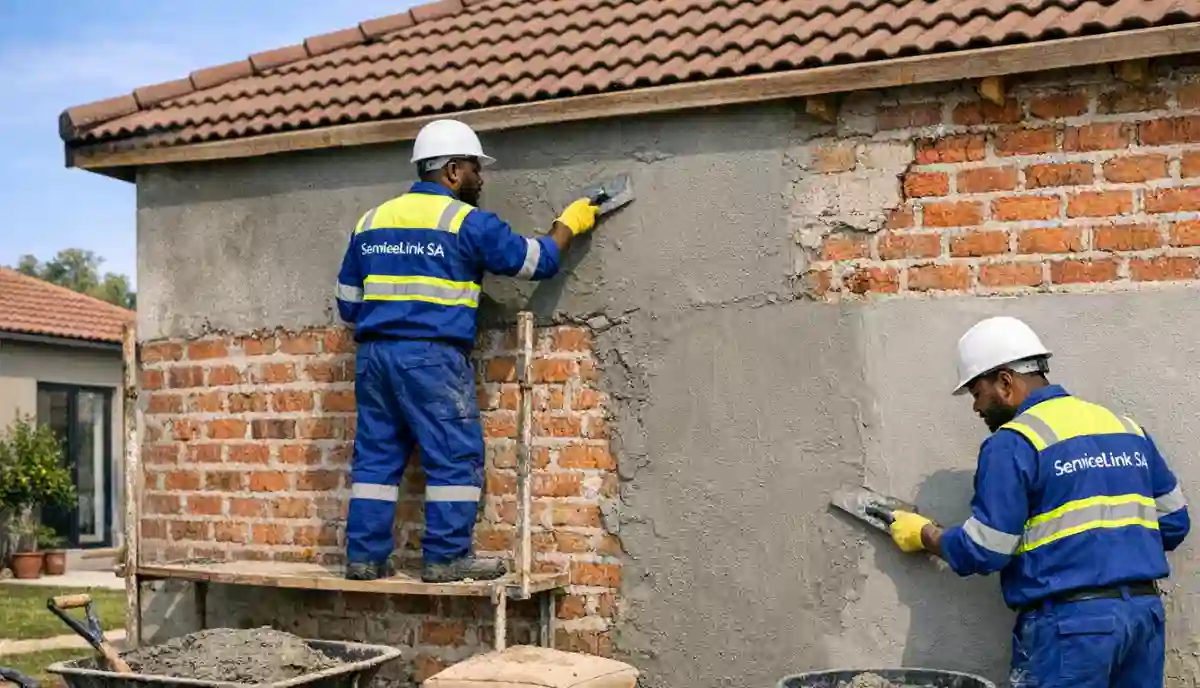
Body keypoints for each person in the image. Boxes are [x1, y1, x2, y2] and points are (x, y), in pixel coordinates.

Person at [334, 119, 601, 582]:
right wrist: (569, 223)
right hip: (432, 358)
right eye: (476, 168)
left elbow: (348, 304)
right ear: (453, 171)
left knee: (376, 459)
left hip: (375, 359)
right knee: (454, 455)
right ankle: (445, 558)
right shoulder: (466, 223)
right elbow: (537, 261)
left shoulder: (370, 221)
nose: (481, 179)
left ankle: (364, 558)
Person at [887, 316, 1189, 688]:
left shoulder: (1013, 443)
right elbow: (1175, 523)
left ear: (1005, 381)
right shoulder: (1124, 428)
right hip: (1143, 621)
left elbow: (985, 549)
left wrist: (926, 535)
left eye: (977, 393)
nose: (976, 408)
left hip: (1070, 630)